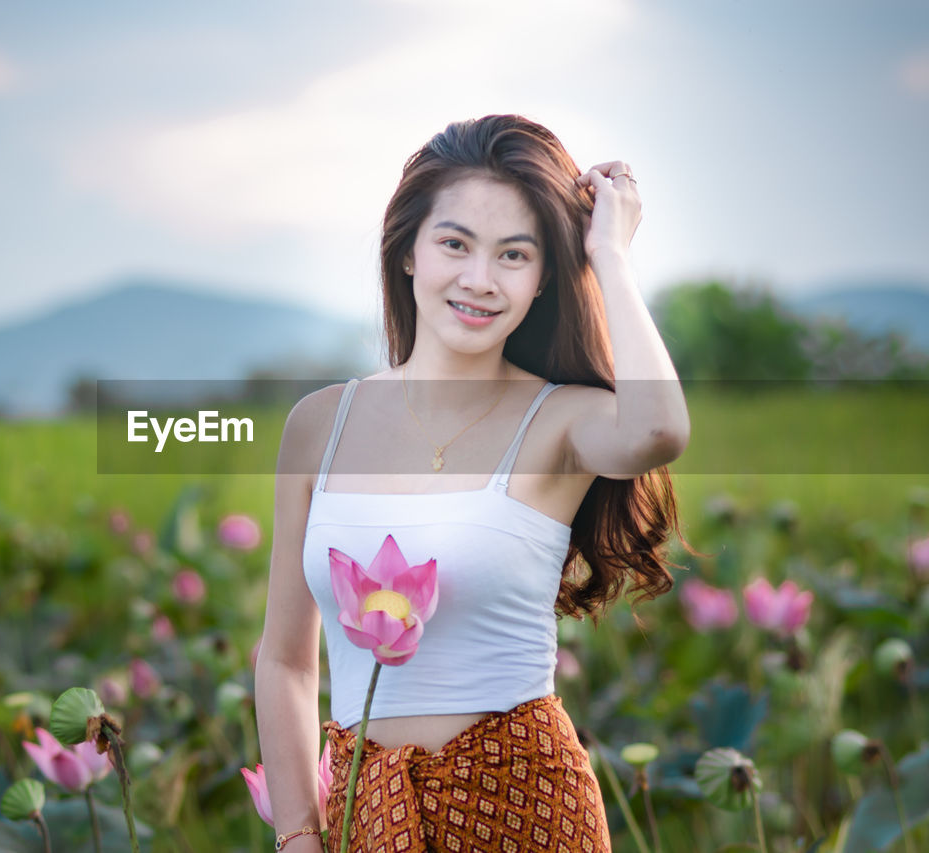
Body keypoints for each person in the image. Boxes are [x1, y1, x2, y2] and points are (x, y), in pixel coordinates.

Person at [254, 114, 693, 852]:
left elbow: (658, 430)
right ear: (407, 253)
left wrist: (609, 255)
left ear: (545, 275)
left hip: (526, 806)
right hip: (368, 808)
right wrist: (298, 832)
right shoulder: (319, 424)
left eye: (514, 255)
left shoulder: (562, 420)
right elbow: (286, 657)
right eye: (454, 243)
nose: (479, 280)